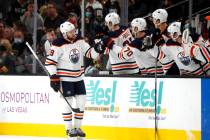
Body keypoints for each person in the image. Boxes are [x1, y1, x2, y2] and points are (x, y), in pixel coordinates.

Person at [45, 21, 99, 138]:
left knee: (81, 102)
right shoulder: (58, 44)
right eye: (71, 32)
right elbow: (49, 63)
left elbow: (91, 54)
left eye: (74, 31)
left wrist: (98, 48)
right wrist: (54, 77)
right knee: (67, 104)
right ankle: (69, 130)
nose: (74, 33)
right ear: (64, 33)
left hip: (79, 78)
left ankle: (77, 128)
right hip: (65, 80)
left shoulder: (80, 41)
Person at [151, 8, 180, 75]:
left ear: (158, 21)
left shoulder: (172, 31)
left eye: (154, 19)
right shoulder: (155, 33)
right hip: (164, 66)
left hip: (176, 66)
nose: (153, 21)